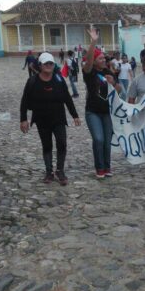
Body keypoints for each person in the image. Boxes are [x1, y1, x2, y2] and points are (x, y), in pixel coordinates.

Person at [20, 52, 81, 184]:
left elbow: (67, 98)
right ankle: (49, 172)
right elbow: (24, 101)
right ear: (40, 65)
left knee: (62, 144)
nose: (49, 66)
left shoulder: (59, 80)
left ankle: (60, 170)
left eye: (51, 63)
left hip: (58, 118)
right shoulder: (32, 81)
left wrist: (74, 115)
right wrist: (23, 119)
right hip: (41, 120)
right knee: (46, 145)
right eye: (46, 63)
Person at [82, 28, 123, 179]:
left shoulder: (109, 72)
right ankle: (99, 167)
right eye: (100, 59)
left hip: (107, 112)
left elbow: (119, 91)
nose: (103, 61)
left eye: (104, 59)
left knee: (107, 141)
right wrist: (94, 41)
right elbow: (89, 60)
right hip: (92, 112)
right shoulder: (89, 73)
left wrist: (114, 84)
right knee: (98, 139)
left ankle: (107, 167)